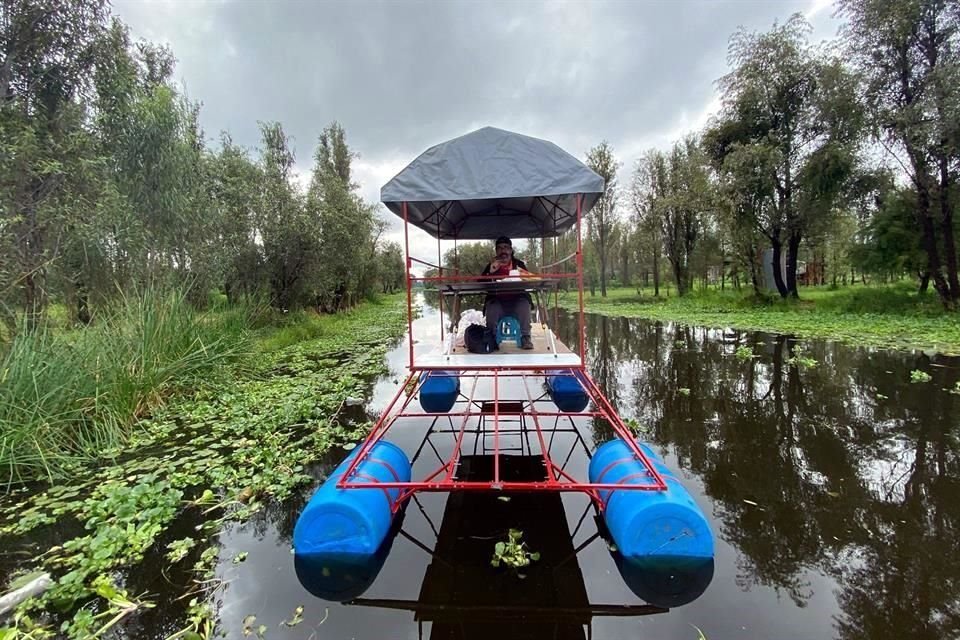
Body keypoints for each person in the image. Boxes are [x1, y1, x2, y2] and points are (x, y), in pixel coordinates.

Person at [481, 236, 534, 350]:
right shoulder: (491, 265)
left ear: (511, 250)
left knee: (524, 304)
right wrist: (490, 272)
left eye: (506, 247)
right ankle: (492, 338)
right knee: (492, 307)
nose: (503, 251)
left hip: (517, 300)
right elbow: (481, 283)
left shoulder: (519, 264)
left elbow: (528, 280)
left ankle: (525, 337)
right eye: (499, 248)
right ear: (496, 251)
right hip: (497, 301)